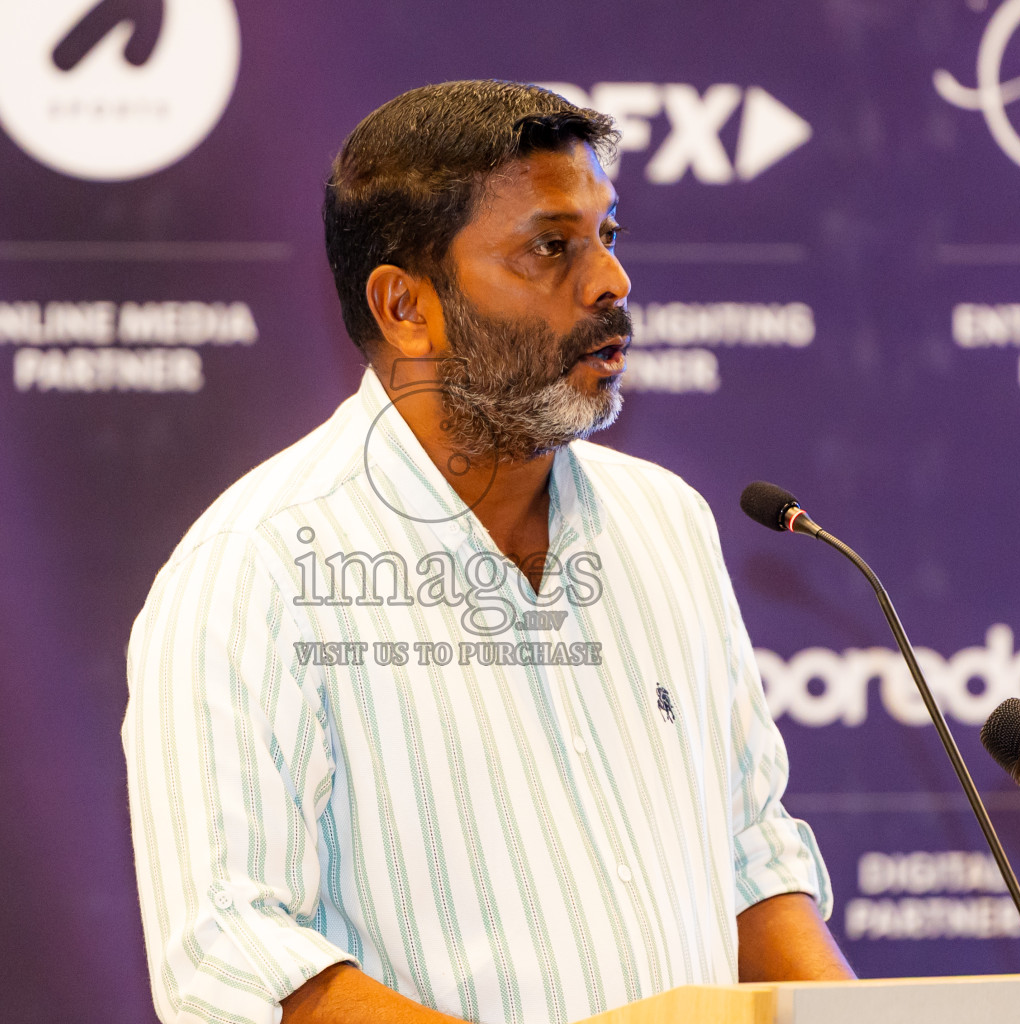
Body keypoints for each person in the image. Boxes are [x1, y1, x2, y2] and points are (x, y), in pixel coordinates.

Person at [122, 80, 853, 1024]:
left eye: (609, 235)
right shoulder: (255, 570)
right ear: (404, 308)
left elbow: (752, 861)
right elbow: (231, 957)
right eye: (551, 248)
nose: (611, 284)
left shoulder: (665, 523)